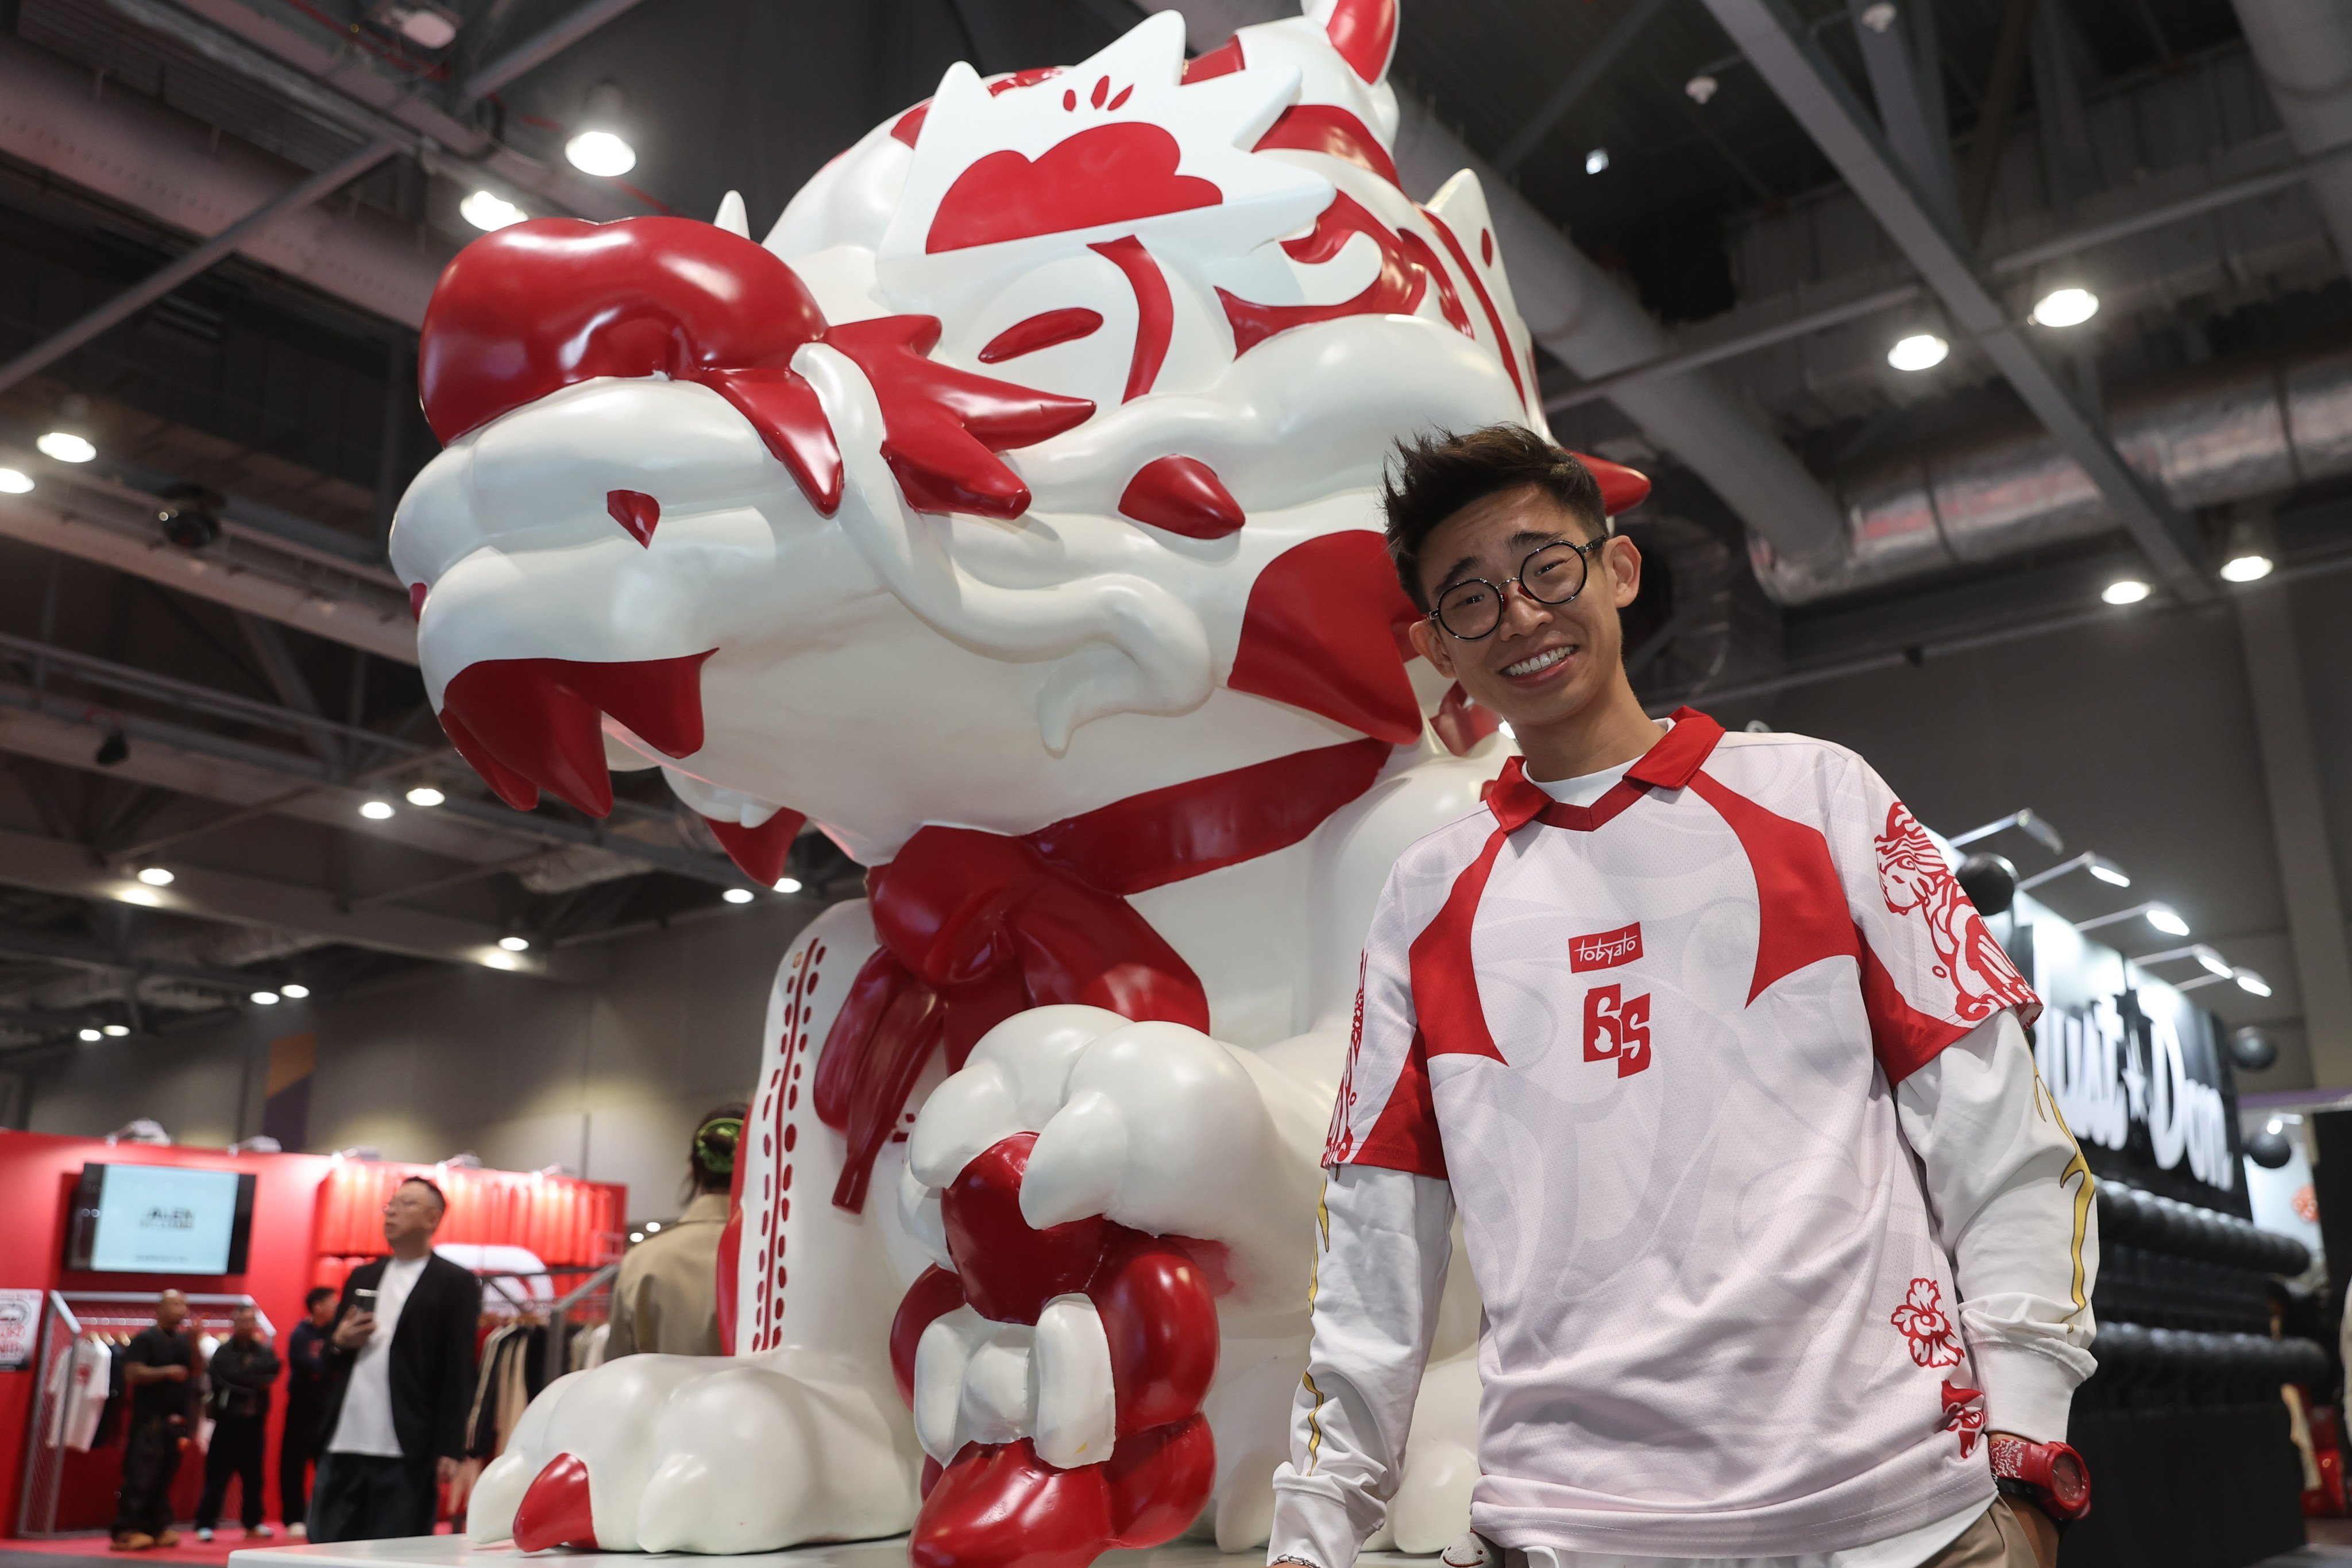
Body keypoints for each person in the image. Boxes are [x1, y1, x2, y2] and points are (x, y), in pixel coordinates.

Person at [1269, 427, 2100, 1568]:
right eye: (1469, 599)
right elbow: (1372, 1247)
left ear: (1616, 570)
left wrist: (2027, 1452)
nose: (1517, 615)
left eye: (1543, 568)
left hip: (1905, 1519)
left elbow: (1999, 1142)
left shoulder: (1818, 794)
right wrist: (1314, 1534)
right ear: (1435, 647)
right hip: (1571, 1531)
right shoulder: (1423, 899)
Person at [309, 1177, 482, 1543]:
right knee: (324, 1549)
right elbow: (328, 1357)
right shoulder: (362, 1275)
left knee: (396, 1552)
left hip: (408, 1446)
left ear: (432, 1219)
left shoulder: (456, 1282)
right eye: (390, 1204)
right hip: (343, 1440)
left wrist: (450, 1447)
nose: (392, 1212)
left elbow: (458, 1369)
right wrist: (339, 1341)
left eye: (406, 1204)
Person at [607, 1104, 745, 1358]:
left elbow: (615, 1371)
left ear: (694, 1169)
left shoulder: (642, 1259)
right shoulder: (784, 1263)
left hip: (657, 1399)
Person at [109, 1290, 196, 1552]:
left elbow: (196, 1372)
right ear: (160, 1309)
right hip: (149, 1422)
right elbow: (132, 1374)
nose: (182, 1310)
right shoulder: (145, 1340)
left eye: (184, 1305)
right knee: (140, 1477)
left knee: (164, 1477)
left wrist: (195, 1343)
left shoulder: (183, 1342)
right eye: (176, 1304)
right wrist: (166, 1372)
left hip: (175, 1422)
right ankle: (127, 1530)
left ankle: (156, 1527)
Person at [194, 1304, 281, 1542]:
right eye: (243, 1320)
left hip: (254, 1424)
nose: (248, 1325)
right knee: (218, 1476)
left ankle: (253, 1522)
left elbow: (272, 1370)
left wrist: (247, 1378)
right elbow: (227, 1377)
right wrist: (252, 1381)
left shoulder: (264, 1351)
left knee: (254, 1477)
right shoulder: (223, 1352)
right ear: (234, 1323)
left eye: (252, 1320)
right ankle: (205, 1523)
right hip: (228, 1423)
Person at [281, 1285, 337, 1538]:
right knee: (294, 1464)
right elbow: (305, 1365)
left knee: (327, 1464)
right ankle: (294, 1518)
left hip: (328, 1408)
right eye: (332, 1303)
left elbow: (337, 1364)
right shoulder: (301, 1334)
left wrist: (325, 1367)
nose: (337, 1307)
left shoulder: (336, 1333)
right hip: (302, 1408)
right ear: (318, 1306)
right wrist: (326, 1366)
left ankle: (324, 1515)